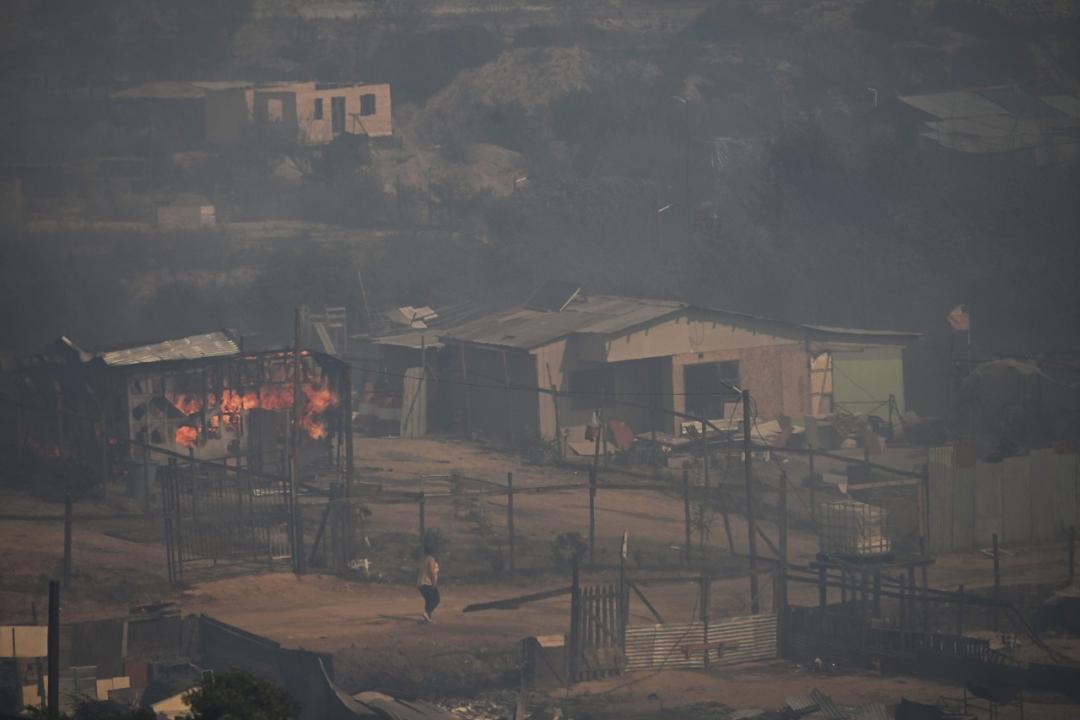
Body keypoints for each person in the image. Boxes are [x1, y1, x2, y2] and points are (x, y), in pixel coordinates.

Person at [417, 543, 440, 623]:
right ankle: (427, 613)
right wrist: (434, 583)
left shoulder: (423, 559)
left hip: (420, 584)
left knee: (429, 600)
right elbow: (432, 572)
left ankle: (427, 618)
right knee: (436, 599)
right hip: (427, 583)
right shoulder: (431, 559)